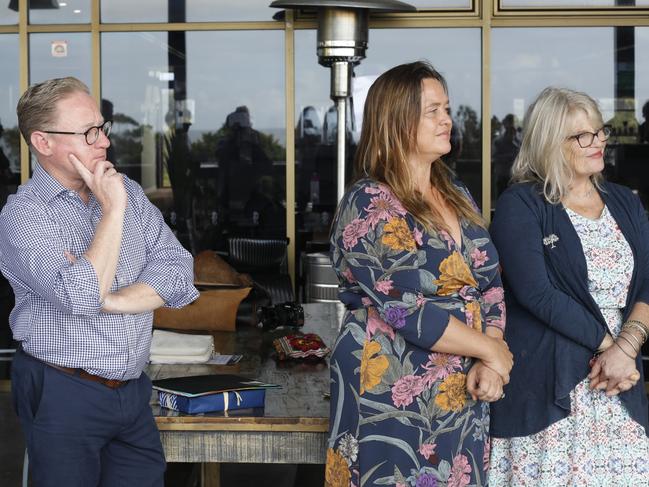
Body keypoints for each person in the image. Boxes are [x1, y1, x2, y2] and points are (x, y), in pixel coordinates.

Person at [0, 77, 199, 486]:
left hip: (131, 391)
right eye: (88, 132)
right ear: (43, 142)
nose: (103, 142)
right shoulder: (25, 215)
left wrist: (113, 300)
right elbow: (78, 296)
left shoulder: (124, 190)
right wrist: (112, 212)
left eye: (102, 128)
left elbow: (179, 272)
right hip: (62, 389)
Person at [325, 61, 512, 487]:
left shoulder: (456, 193)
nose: (447, 119)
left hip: (465, 388)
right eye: (433, 110)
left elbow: (490, 284)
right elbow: (405, 308)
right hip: (391, 389)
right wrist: (489, 350)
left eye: (447, 108)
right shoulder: (370, 200)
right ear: (397, 119)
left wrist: (492, 356)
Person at [489, 87, 649, 485]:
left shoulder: (624, 202)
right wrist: (611, 349)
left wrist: (627, 348)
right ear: (550, 142)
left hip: (617, 388)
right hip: (551, 389)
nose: (598, 143)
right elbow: (536, 293)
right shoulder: (521, 204)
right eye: (583, 136)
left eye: (600, 132)